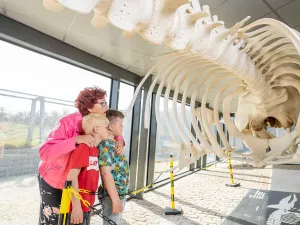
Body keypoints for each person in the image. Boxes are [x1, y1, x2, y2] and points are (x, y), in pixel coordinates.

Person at [38, 86, 125, 225]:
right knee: (53, 219)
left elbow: (113, 127)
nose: (106, 107)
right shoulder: (67, 122)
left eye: (106, 102)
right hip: (54, 180)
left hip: (76, 187)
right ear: (90, 108)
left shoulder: (102, 119)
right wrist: (75, 140)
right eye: (102, 103)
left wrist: (120, 139)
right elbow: (45, 153)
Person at [66, 113, 109, 225]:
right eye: (106, 128)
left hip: (86, 205)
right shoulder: (84, 148)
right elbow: (71, 177)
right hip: (76, 207)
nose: (108, 130)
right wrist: (76, 207)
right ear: (97, 129)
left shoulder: (95, 149)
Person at [98, 109, 130, 225]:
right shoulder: (105, 145)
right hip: (112, 197)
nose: (122, 127)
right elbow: (106, 173)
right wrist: (115, 199)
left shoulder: (114, 144)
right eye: (120, 124)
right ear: (111, 127)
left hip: (119, 194)